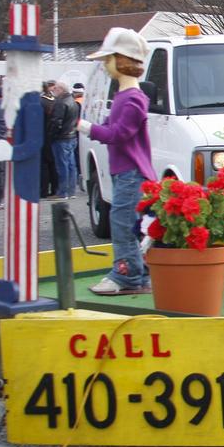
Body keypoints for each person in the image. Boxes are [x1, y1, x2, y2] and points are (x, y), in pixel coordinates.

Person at [77, 27, 156, 295]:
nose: (106, 66)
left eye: (108, 59)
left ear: (122, 60)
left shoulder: (132, 99)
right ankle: (139, 273)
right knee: (127, 223)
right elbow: (112, 130)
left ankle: (126, 275)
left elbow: (117, 134)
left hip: (131, 173)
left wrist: (84, 126)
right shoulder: (126, 97)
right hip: (126, 172)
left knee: (122, 224)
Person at [46, 80, 80, 200]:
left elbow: (56, 122)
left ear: (60, 90)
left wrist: (51, 135)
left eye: (55, 89)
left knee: (62, 165)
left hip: (61, 138)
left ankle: (62, 192)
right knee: (71, 165)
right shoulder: (72, 101)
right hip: (71, 136)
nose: (53, 91)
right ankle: (71, 191)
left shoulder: (60, 103)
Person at [40, 79, 58, 197]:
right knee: (53, 164)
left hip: (42, 135)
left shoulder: (40, 102)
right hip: (53, 136)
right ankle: (55, 189)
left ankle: (43, 190)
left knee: (44, 165)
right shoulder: (54, 101)